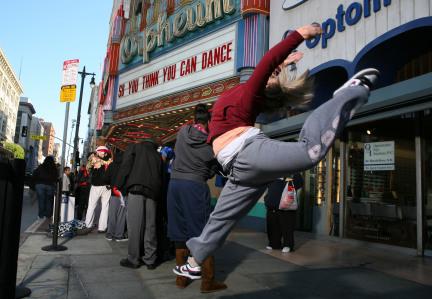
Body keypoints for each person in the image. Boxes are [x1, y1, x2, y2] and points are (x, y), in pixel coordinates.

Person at [174, 23, 379, 280]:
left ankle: (350, 93)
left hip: (249, 153)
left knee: (310, 152)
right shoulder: (245, 96)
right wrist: (282, 64)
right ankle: (195, 261)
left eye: (271, 76)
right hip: (239, 170)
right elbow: (270, 67)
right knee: (221, 219)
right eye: (273, 75)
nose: (270, 75)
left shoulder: (250, 95)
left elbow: (267, 61)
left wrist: (298, 36)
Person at [167, 104, 225, 293]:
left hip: (174, 185)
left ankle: (181, 279)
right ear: (208, 121)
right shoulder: (211, 145)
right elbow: (211, 171)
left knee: (179, 231)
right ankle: (208, 282)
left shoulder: (183, 132)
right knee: (202, 234)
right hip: (194, 186)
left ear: (193, 120)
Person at [115, 139, 162, 270]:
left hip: (136, 189)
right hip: (153, 192)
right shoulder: (157, 155)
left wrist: (119, 184)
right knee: (150, 225)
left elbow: (126, 166)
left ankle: (133, 259)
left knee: (135, 225)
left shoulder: (135, 147)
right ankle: (150, 259)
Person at [265, 173, 303, 253]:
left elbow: (299, 183)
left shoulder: (293, 173)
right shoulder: (273, 172)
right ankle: (274, 244)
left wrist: (288, 181)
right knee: (272, 226)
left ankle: (288, 245)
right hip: (273, 204)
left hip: (287, 206)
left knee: (287, 227)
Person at [84, 146, 113, 233]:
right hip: (107, 186)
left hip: (96, 185)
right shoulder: (109, 160)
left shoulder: (94, 158)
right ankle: (102, 227)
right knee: (105, 207)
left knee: (92, 206)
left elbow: (88, 168)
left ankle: (88, 225)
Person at [106, 150, 128, 242]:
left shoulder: (111, 165)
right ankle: (119, 235)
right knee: (121, 215)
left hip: (114, 193)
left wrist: (110, 184)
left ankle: (110, 234)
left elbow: (106, 178)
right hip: (123, 193)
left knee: (112, 214)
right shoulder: (126, 166)